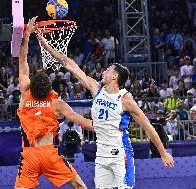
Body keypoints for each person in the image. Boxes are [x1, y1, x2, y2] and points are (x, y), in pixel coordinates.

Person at [38, 30, 174, 189]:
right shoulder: (96, 89)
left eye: (108, 70)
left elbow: (149, 128)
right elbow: (70, 64)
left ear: (115, 77)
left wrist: (163, 153)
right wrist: (47, 47)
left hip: (120, 154)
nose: (104, 71)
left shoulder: (125, 99)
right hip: (101, 155)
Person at [15, 17, 93, 189]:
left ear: (31, 86)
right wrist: (105, 126)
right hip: (49, 154)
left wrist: (27, 35)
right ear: (50, 88)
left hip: (30, 156)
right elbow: (82, 122)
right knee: (79, 186)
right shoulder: (57, 103)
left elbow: (22, 60)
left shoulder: (25, 93)